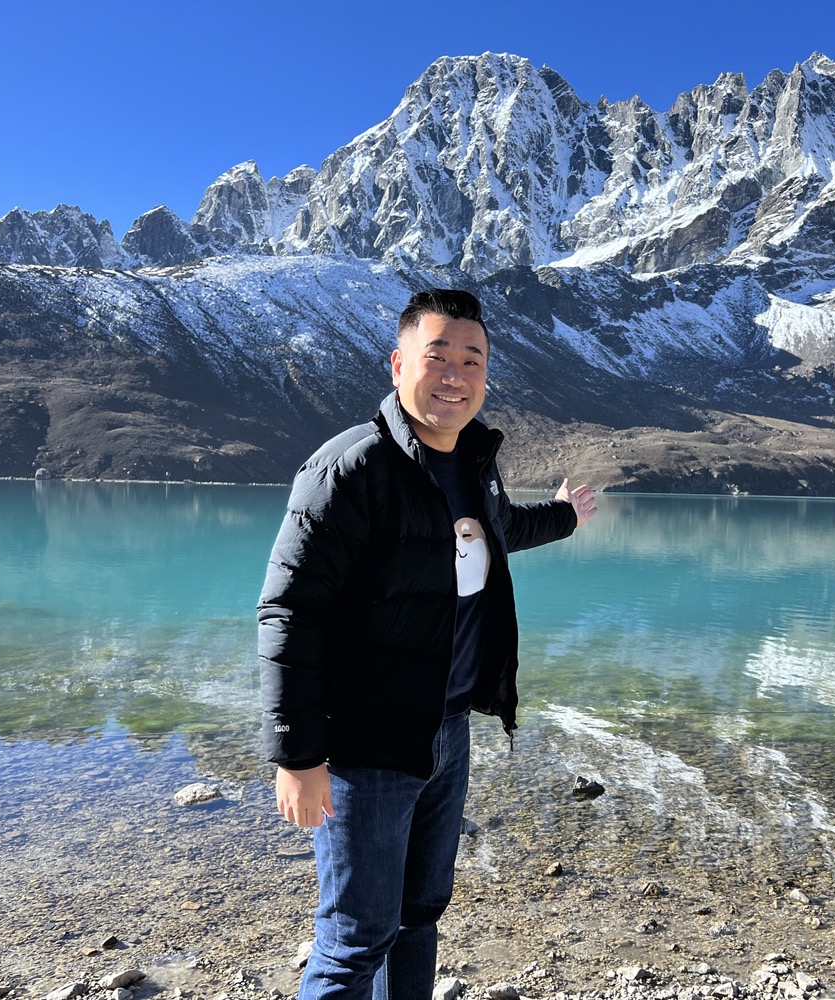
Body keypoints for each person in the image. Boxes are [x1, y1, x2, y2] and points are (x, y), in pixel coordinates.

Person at [258, 288, 597, 1000]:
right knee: (354, 938)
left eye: (471, 359)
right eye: (436, 354)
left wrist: (564, 516)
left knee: (417, 917)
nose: (454, 373)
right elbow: (291, 611)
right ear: (397, 364)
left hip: (443, 731)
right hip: (365, 743)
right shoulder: (350, 468)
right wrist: (297, 755)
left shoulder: (472, 461)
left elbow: (498, 531)